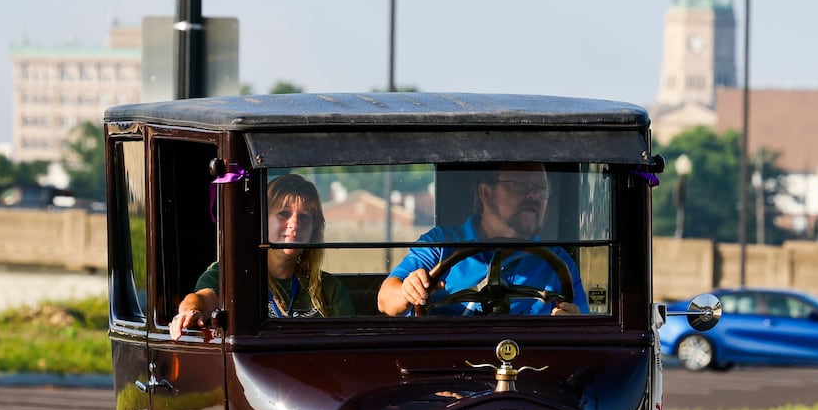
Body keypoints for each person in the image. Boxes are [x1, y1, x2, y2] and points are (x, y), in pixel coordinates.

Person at [377, 162, 584, 317]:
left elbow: (585, 322)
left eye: (542, 190)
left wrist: (573, 322)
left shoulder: (558, 261)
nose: (533, 196)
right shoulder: (440, 245)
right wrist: (408, 291)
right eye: (520, 185)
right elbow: (385, 300)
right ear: (486, 193)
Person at [171, 173, 353, 338]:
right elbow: (202, 299)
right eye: (284, 214)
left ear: (314, 229)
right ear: (262, 221)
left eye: (304, 217)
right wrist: (191, 311)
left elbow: (349, 346)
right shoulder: (232, 276)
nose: (294, 224)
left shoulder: (329, 289)